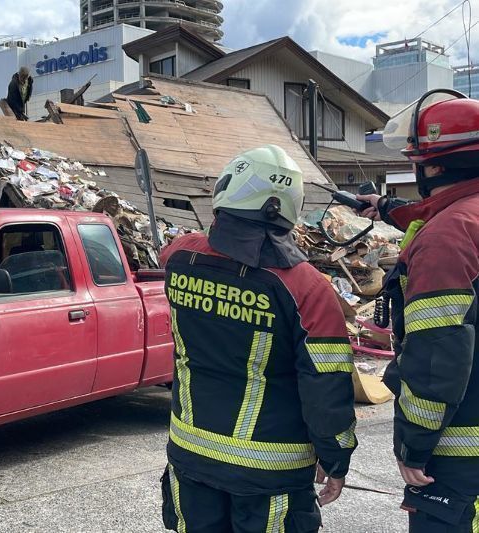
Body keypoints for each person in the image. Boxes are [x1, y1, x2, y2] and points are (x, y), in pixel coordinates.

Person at [159, 145, 357, 533]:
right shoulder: (307, 287)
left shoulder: (181, 256)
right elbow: (326, 384)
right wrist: (336, 459)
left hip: (191, 457)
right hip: (271, 475)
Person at [354, 91, 479, 531]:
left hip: (461, 459)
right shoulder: (464, 220)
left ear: (435, 166)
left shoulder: (447, 238)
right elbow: (436, 214)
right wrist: (386, 208)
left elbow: (436, 358)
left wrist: (414, 446)